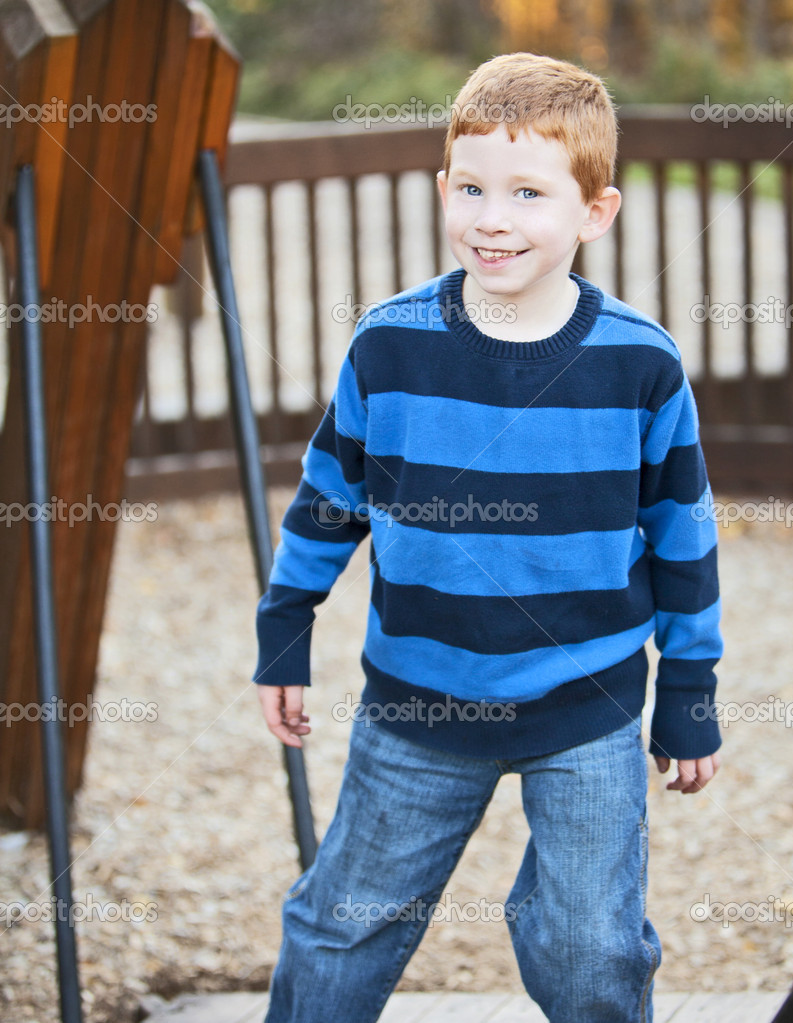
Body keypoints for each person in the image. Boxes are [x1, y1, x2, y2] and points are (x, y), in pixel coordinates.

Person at [253, 51, 722, 1023]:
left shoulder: (640, 362)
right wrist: (286, 628)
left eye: (527, 192)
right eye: (470, 187)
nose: (492, 217)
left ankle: (554, 923)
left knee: (589, 944)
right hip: (418, 702)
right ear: (441, 190)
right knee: (346, 922)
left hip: (584, 705)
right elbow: (328, 496)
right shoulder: (390, 343)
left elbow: (681, 531)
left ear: (595, 211)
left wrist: (689, 688)